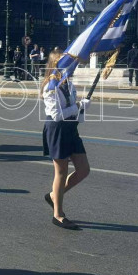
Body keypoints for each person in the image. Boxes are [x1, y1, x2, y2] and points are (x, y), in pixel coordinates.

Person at [41, 49, 91, 230]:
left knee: (84, 170)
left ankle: (54, 195)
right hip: (58, 129)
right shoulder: (50, 86)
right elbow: (56, 114)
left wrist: (82, 109)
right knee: (61, 172)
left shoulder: (68, 83)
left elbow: (73, 110)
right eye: (67, 62)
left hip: (71, 128)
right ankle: (58, 214)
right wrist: (78, 106)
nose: (71, 65)